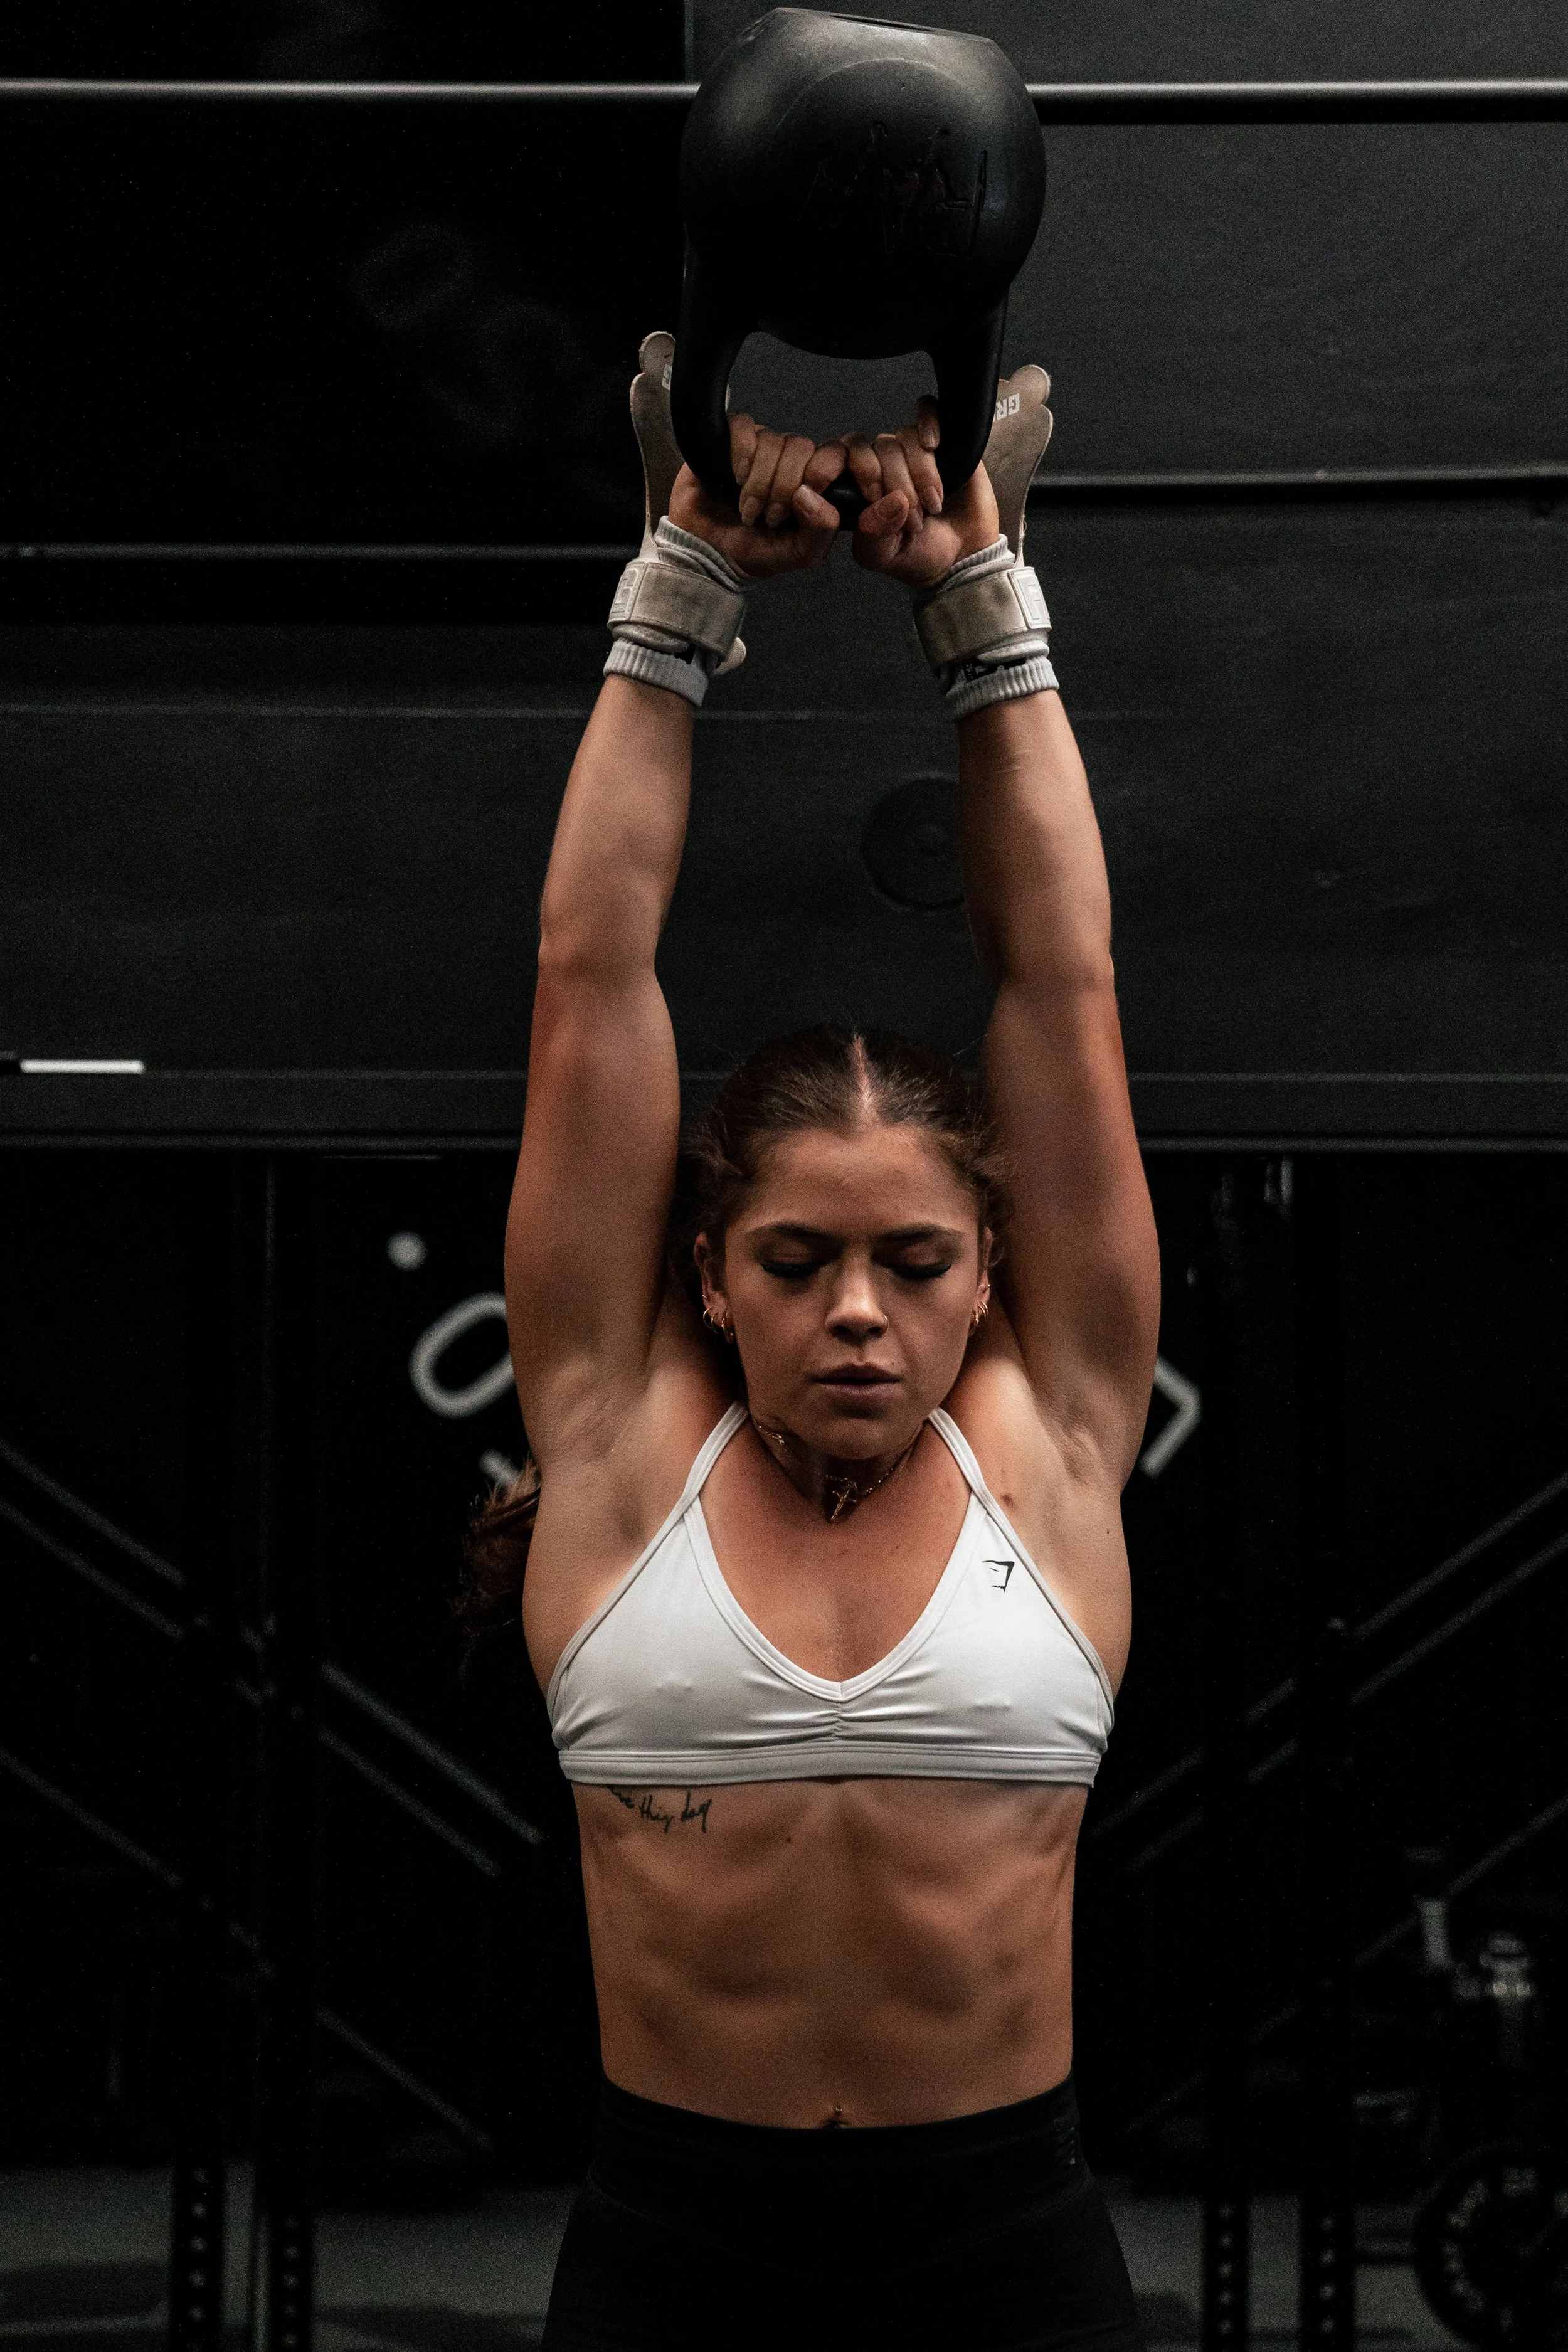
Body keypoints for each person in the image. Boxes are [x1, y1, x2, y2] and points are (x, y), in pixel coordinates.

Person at [471, 340, 1161, 2350]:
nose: (857, 1306)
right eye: (793, 1259)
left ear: (988, 1267)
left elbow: (1059, 973)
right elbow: (587, 969)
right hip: (681, 2254)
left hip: (1004, 2249)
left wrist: (979, 595)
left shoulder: (1049, 1446)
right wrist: (681, 574)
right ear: (704, 1268)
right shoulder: (616, 1441)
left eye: (913, 1261)